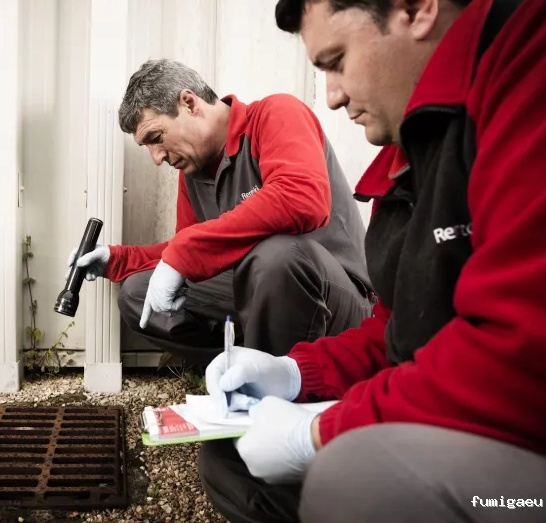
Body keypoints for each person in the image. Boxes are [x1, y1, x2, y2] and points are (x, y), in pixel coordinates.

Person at [199, 0, 546, 522]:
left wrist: (319, 431)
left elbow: (527, 352)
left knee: (357, 478)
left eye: (337, 62)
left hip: (542, 458)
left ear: (416, 7)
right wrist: (296, 373)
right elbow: (404, 333)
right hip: (465, 411)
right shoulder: (409, 157)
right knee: (230, 458)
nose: (331, 95)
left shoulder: (545, 69)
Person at [67, 59, 374, 366]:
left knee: (278, 254)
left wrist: (186, 252)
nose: (157, 157)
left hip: (336, 300)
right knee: (137, 294)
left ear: (189, 103)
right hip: (260, 290)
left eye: (156, 138)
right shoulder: (194, 172)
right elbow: (189, 251)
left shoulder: (276, 114)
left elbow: (302, 198)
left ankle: (281, 390)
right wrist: (117, 259)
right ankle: (243, 365)